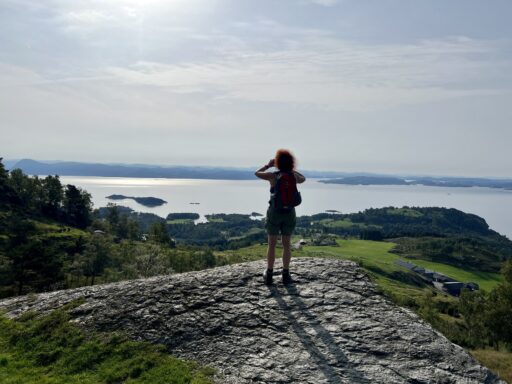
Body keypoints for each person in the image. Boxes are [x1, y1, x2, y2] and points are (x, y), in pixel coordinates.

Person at [255, 149, 306, 285]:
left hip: (274, 212)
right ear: (291, 163)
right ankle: (285, 274)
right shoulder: (294, 176)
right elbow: (304, 178)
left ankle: (270, 274)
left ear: (277, 162)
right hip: (289, 213)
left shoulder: (273, 176)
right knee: (286, 245)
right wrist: (292, 170)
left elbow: (257, 173)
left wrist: (268, 165)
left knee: (271, 244)